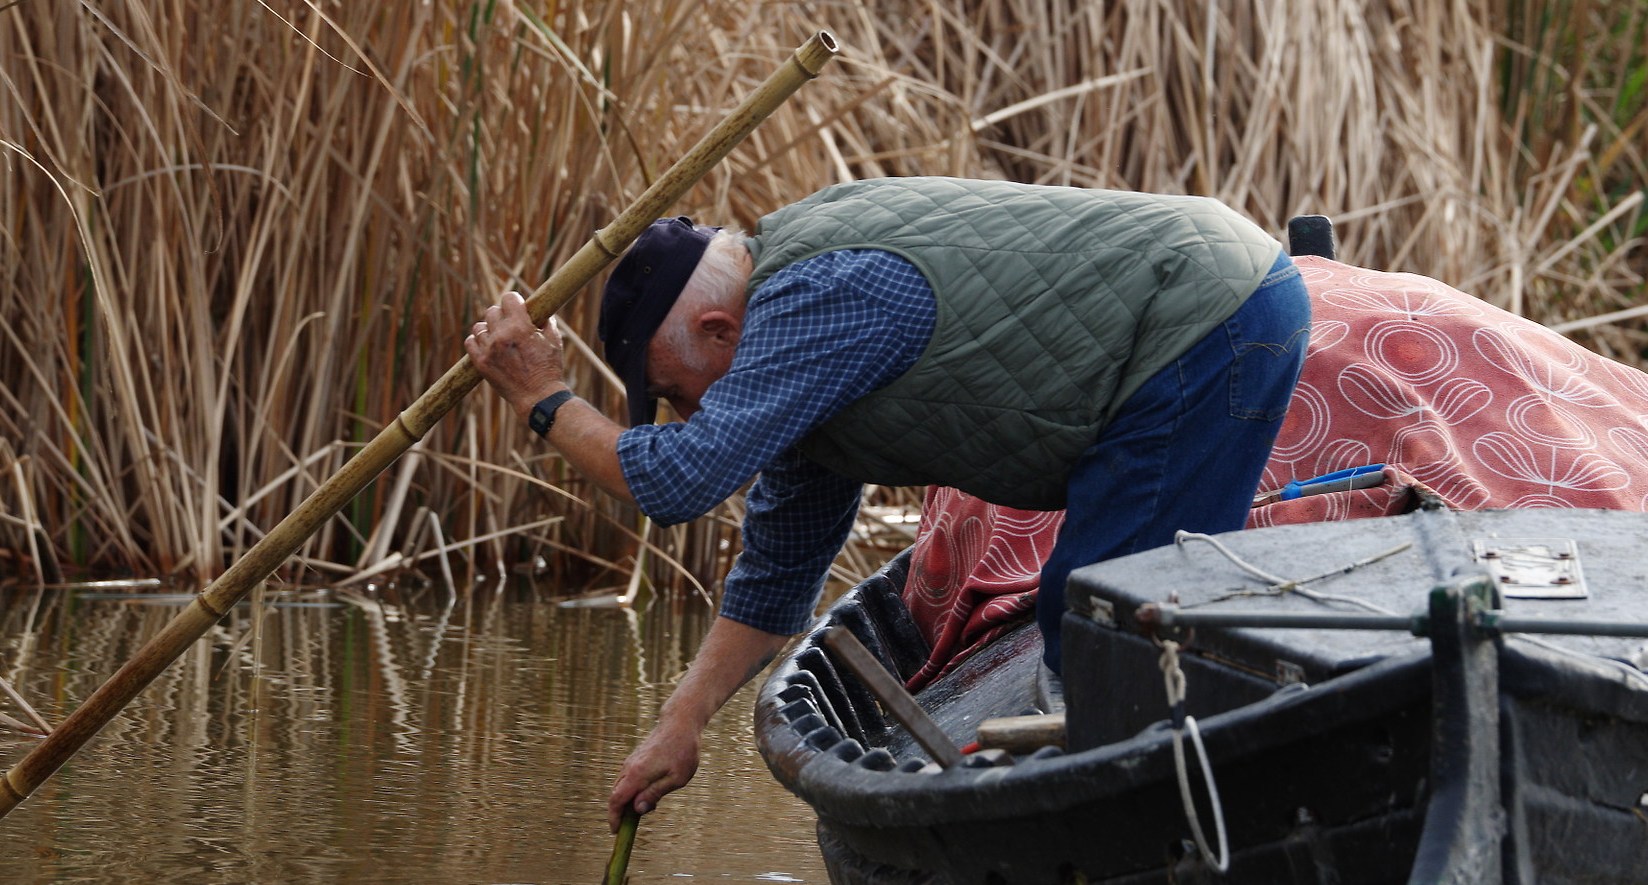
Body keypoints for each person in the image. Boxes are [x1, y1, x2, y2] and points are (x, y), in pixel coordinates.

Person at [461, 176, 1310, 826]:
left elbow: (677, 482)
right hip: (1214, 299)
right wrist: (680, 725)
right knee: (1105, 623)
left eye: (677, 392)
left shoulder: (810, 300)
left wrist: (545, 403)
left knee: (1098, 625)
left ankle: (1147, 823)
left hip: (1202, 311)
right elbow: (776, 579)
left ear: (722, 332)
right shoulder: (800, 367)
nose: (691, 415)